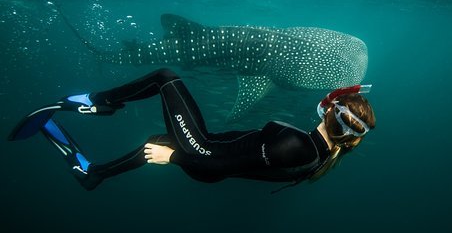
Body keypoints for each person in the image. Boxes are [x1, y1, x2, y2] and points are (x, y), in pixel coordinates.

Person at [8, 68, 375, 192]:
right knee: (158, 141)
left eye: (332, 102)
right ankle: (94, 174)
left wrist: (178, 156)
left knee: (166, 78)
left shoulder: (297, 145)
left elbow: (225, 165)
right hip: (209, 152)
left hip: (205, 155)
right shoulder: (320, 153)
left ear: (330, 112)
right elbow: (244, 162)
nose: (326, 101)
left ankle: (95, 102)